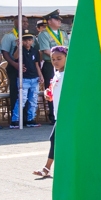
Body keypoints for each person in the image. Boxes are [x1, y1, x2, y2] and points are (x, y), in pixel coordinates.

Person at [34, 46, 69, 178]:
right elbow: (53, 89)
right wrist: (47, 93)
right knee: (57, 139)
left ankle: (47, 168)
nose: (55, 61)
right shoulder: (57, 73)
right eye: (53, 59)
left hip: (66, 114)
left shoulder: (70, 75)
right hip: (58, 113)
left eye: (59, 59)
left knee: (54, 138)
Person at [6, 26, 42, 126]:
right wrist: (19, 46)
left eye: (30, 40)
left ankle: (31, 119)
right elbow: (15, 57)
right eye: (25, 40)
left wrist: (40, 75)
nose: (28, 42)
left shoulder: (34, 50)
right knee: (22, 99)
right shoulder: (19, 50)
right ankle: (15, 120)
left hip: (34, 78)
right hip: (24, 78)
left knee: (33, 100)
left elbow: (37, 64)